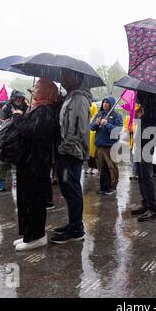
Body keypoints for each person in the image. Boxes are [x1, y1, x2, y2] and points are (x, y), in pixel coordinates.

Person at [12, 78, 58, 251]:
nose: (34, 90)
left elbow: (29, 131)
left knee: (34, 201)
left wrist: (17, 118)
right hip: (30, 163)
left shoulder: (45, 111)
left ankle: (36, 236)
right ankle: (28, 235)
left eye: (38, 87)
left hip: (36, 164)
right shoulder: (40, 109)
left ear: (46, 91)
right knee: (27, 199)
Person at [50, 69, 91, 245]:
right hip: (65, 152)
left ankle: (76, 230)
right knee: (67, 189)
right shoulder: (69, 98)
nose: (62, 77)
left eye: (66, 74)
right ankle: (72, 223)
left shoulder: (80, 99)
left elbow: (79, 130)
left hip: (71, 153)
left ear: (76, 78)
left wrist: (63, 148)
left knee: (73, 190)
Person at [130, 91, 156, 222]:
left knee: (146, 176)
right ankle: (145, 203)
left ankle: (152, 208)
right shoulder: (147, 107)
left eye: (140, 94)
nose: (138, 97)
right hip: (141, 143)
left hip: (148, 145)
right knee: (141, 175)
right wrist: (141, 116)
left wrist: (144, 117)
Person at [0, 90, 29, 192]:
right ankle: (0, 182)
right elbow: (2, 120)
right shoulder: (6, 107)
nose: (19, 99)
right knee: (4, 161)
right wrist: (14, 118)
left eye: (21, 98)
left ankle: (23, 182)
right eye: (17, 98)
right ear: (13, 98)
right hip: (8, 137)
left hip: (21, 136)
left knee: (22, 160)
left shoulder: (26, 106)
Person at [90, 96, 123, 195]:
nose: (104, 104)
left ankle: (112, 187)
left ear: (111, 104)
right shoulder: (99, 115)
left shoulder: (117, 116)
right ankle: (103, 187)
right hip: (99, 145)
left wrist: (107, 124)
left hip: (110, 146)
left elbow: (118, 130)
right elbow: (91, 128)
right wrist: (96, 123)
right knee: (101, 167)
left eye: (107, 102)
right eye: (104, 102)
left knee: (111, 167)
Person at [86, 101, 99, 175]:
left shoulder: (96, 117)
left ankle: (95, 167)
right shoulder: (89, 118)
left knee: (94, 154)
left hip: (94, 139)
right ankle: (90, 166)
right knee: (89, 154)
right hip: (88, 139)